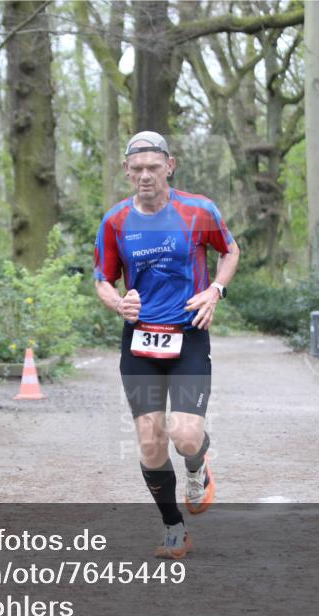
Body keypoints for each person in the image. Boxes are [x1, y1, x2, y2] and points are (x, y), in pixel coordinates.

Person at [93, 131, 240, 559]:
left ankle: (197, 467)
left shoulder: (198, 210)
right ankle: (174, 527)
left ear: (169, 166)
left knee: (185, 434)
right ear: (126, 170)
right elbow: (102, 278)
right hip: (140, 342)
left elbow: (230, 252)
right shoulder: (115, 221)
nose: (145, 176)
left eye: (153, 168)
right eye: (136, 169)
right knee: (151, 441)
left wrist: (215, 291)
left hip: (189, 334)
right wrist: (119, 303)